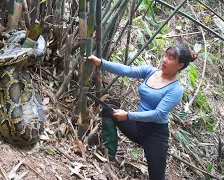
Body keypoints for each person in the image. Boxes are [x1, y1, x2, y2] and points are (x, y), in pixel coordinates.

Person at [85, 45, 198, 180]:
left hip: (155, 135)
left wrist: (128, 115)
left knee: (157, 177)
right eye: (166, 55)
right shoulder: (150, 71)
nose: (165, 60)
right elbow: (127, 70)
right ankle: (109, 156)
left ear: (179, 65)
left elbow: (158, 114)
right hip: (137, 125)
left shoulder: (176, 90)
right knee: (109, 110)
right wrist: (101, 63)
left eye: (171, 58)